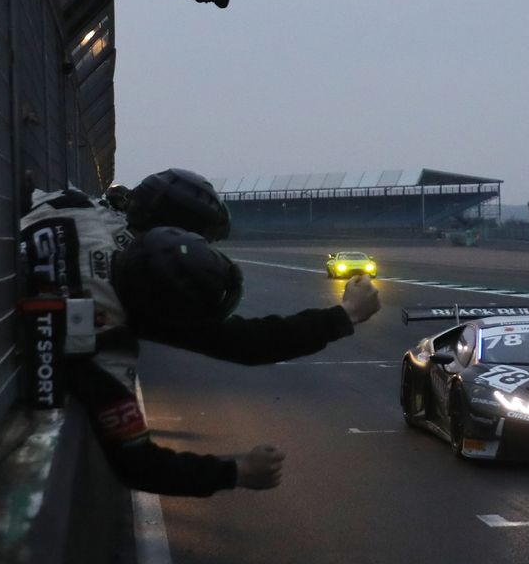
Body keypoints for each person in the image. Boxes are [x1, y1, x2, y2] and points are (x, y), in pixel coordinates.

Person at [19, 186, 380, 496]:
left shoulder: (89, 214)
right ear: (167, 318)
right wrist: (239, 472)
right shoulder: (103, 345)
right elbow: (137, 464)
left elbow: (22, 187)